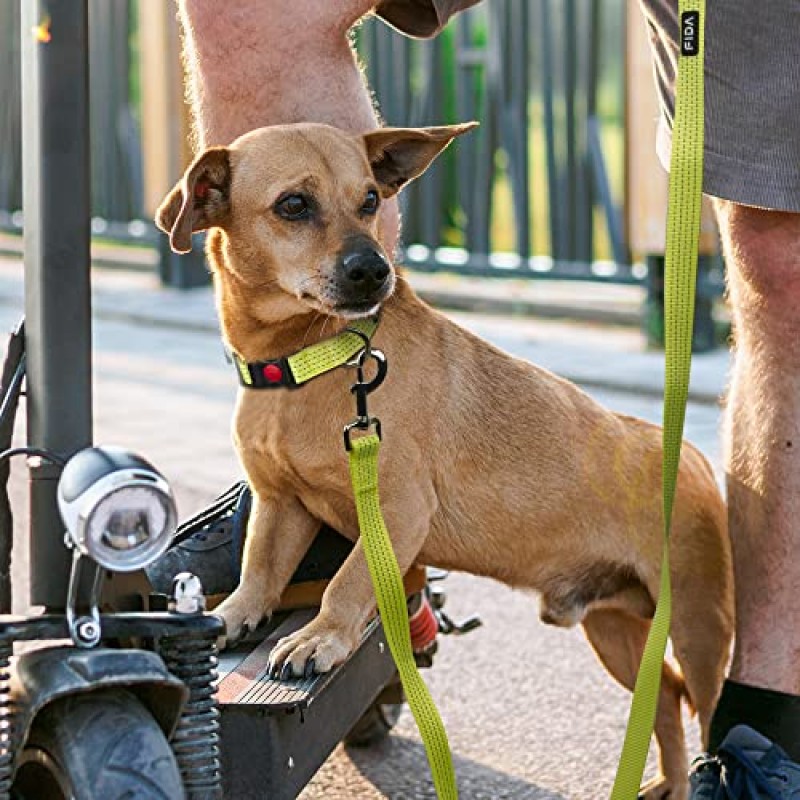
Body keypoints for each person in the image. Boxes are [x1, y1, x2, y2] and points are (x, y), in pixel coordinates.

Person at [174, 1, 800, 795]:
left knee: (703, 676)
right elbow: (288, 495)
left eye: (367, 203)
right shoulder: (263, 394)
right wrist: (251, 596)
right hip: (336, 421)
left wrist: (339, 620)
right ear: (204, 211)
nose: (361, 253)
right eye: (298, 210)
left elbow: (403, 505)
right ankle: (341, 573)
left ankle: (742, 756)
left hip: (638, 491)